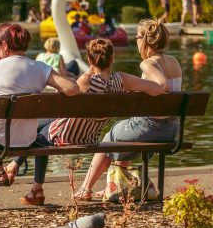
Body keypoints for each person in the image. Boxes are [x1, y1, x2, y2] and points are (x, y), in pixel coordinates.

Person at [3, 38, 164, 205]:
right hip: (90, 137)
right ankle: (19, 172)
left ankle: (25, 177)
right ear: (112, 59)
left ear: (89, 60)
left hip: (65, 135)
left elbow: (62, 104)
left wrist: (84, 76)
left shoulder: (85, 81)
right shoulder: (122, 79)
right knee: (43, 127)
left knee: (37, 135)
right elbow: (157, 88)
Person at [74, 18, 182, 201]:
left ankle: (86, 188)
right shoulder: (174, 61)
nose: (136, 41)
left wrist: (142, 87)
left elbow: (163, 85)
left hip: (150, 127)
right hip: (172, 129)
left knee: (110, 136)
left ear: (146, 40)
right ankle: (118, 186)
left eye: (138, 37)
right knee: (122, 129)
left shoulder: (148, 64)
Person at [0, 23, 79, 208]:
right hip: (27, 139)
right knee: (42, 137)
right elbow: (73, 88)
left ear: (5, 46)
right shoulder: (39, 68)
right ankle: (36, 188)